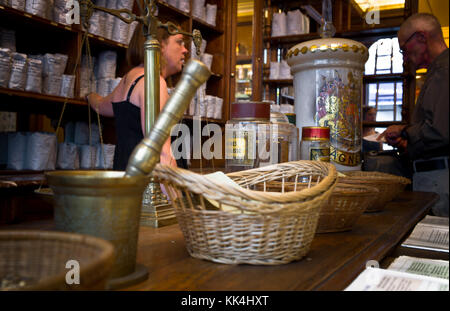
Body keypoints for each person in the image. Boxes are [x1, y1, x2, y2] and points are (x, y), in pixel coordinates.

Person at [87, 25, 188, 171]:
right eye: (179, 42)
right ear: (160, 45)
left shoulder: (129, 78)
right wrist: (175, 194)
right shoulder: (154, 82)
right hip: (147, 187)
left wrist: (89, 96)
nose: (185, 50)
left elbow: (101, 105)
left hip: (126, 181)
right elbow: (162, 154)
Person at [378, 13, 449, 217]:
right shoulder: (437, 71)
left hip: (439, 179)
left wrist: (405, 131)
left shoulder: (444, 70)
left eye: (403, 48)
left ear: (421, 37)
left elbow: (441, 130)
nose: (404, 56)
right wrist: (409, 142)